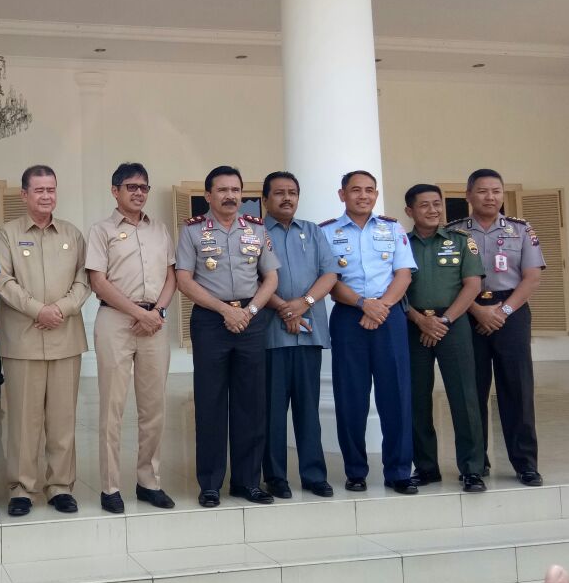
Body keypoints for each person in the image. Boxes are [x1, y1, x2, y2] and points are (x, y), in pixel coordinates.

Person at [176, 166, 280, 506]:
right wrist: (225, 311)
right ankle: (210, 483)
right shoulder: (192, 231)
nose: (231, 196)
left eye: (236, 189)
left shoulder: (256, 228)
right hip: (210, 320)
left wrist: (248, 312)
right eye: (222, 190)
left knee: (251, 403)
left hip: (251, 319)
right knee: (210, 402)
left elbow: (271, 278)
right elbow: (184, 279)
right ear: (208, 195)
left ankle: (247, 482)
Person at [0, 165, 91, 517]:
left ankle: (61, 486)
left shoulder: (72, 234)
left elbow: (84, 281)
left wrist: (61, 310)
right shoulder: (7, 234)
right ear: (24, 194)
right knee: (23, 419)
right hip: (23, 340)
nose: (46, 195)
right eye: (39, 190)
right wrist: (39, 311)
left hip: (65, 338)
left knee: (63, 419)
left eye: (51, 189)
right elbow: (3, 282)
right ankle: (22, 488)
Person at [86, 162, 176, 514]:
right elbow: (98, 281)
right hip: (116, 321)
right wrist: (139, 314)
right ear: (115, 191)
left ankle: (148, 481)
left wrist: (157, 313)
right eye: (131, 187)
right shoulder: (101, 230)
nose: (138, 193)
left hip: (155, 322)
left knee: (154, 408)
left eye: (143, 187)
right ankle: (110, 486)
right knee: (112, 407)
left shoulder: (160, 230)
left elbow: (172, 276)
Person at [322, 170, 417, 494]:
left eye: (369, 190)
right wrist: (364, 305)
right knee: (351, 397)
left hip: (388, 317)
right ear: (342, 194)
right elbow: (330, 281)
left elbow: (403, 275)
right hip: (349, 317)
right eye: (355, 190)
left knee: (397, 395)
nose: (363, 196)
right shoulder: (327, 232)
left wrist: (380, 308)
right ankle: (355, 470)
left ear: (376, 195)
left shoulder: (391, 228)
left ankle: (399, 470)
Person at [450, 168, 545, 486]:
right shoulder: (454, 233)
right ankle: (475, 463)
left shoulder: (522, 230)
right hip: (468, 309)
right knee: (471, 390)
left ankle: (525, 463)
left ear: (502, 195)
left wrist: (502, 312)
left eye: (495, 191)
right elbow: (453, 282)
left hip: (512, 311)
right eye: (482, 191)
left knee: (517, 388)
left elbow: (532, 277)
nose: (489, 197)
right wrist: (477, 310)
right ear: (468, 195)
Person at [403, 184, 488, 493]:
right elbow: (394, 287)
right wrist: (420, 320)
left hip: (453, 324)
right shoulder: (401, 244)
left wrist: (444, 320)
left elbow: (472, 286)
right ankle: (426, 467)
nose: (433, 210)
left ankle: (472, 468)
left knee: (464, 397)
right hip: (413, 324)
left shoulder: (461, 241)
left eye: (437, 204)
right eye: (424, 205)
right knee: (416, 398)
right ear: (409, 211)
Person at [260, 171, 338, 499]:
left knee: (308, 409)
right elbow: (252, 276)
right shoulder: (254, 232)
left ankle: (313, 474)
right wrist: (284, 308)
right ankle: (276, 476)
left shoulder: (313, 232)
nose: (287, 198)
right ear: (265, 199)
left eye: (292, 192)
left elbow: (330, 273)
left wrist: (303, 304)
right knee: (273, 412)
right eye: (279, 193)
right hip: (270, 335)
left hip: (310, 333)